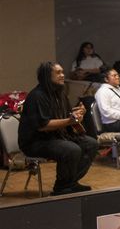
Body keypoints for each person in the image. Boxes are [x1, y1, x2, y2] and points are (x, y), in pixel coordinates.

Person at [18, 62, 98, 195]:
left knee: (91, 144)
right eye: (58, 73)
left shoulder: (59, 94)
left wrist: (79, 115)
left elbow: (68, 118)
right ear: (46, 76)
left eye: (62, 72)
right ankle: (62, 187)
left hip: (56, 137)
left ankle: (69, 183)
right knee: (71, 149)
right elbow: (43, 126)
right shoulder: (37, 96)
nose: (62, 75)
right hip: (35, 142)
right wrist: (69, 120)